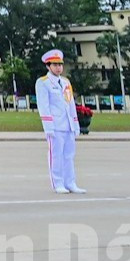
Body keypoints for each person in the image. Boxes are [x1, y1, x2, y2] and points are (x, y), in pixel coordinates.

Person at [36, 49, 84, 193]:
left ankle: (71, 182)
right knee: (56, 156)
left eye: (60, 64)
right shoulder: (43, 82)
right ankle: (58, 183)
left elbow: (70, 104)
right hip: (55, 125)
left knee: (69, 156)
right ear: (48, 66)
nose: (58, 68)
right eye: (55, 65)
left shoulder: (65, 82)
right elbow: (43, 106)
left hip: (68, 124)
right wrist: (48, 127)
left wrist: (75, 124)